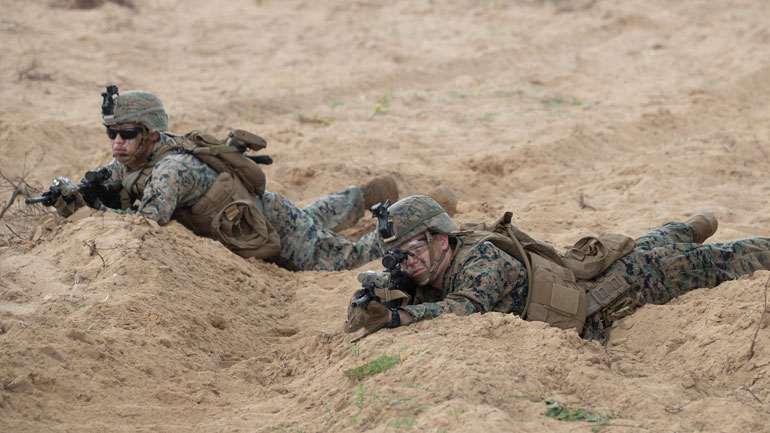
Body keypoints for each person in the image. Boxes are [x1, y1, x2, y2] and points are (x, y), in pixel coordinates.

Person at [53, 86, 457, 271]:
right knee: (309, 218)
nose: (117, 143)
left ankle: (416, 214)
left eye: (126, 134)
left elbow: (147, 223)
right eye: (112, 134)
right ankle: (360, 197)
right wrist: (73, 196)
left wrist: (92, 214)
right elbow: (106, 181)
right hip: (261, 209)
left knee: (342, 258)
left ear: (151, 135)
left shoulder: (168, 169)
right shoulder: (136, 158)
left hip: (264, 222)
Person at [344, 195, 770, 343]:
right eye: (396, 255)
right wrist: (371, 300)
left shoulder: (482, 263)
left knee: (720, 262)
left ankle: (689, 235)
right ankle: (684, 228)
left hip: (619, 289)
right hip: (576, 269)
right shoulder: (429, 264)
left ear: (440, 239)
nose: (405, 262)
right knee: (649, 243)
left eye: (411, 249)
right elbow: (372, 294)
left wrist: (400, 316)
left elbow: (465, 311)